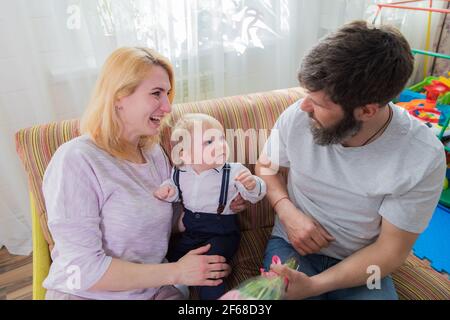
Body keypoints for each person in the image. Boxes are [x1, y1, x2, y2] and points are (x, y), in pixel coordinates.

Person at [256, 20, 446, 300]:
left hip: (364, 264)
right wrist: (287, 211)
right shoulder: (298, 115)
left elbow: (390, 251)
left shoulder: (421, 157)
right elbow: (266, 167)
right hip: (291, 247)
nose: (304, 107)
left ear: (367, 111)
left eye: (319, 104)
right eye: (307, 95)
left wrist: (314, 286)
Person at [42, 47, 247, 300]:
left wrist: (216, 204)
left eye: (168, 94)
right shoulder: (76, 160)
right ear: (119, 97)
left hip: (154, 291)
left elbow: (167, 222)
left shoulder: (153, 153)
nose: (168, 107)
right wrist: (177, 272)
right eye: (156, 94)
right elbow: (81, 270)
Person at [154, 113, 267, 300]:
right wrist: (167, 192)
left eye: (222, 138)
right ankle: (179, 287)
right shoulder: (180, 172)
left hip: (221, 232)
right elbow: (174, 189)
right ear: (186, 154)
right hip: (191, 231)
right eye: (209, 142)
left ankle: (219, 296)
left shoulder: (234, 171)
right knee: (174, 257)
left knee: (211, 265)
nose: (221, 145)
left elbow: (255, 195)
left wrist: (253, 185)